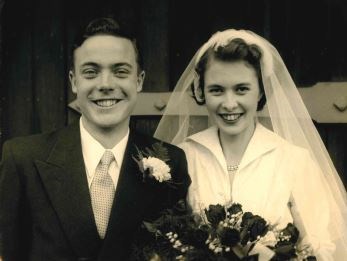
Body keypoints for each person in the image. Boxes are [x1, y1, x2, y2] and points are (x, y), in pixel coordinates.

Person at [0, 17, 190, 261]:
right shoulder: (23, 159)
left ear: (139, 80)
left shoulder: (172, 161)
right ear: (74, 81)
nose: (106, 84)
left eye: (120, 71)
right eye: (91, 72)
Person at [154, 29, 347, 260]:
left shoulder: (294, 160)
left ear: (260, 92)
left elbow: (322, 249)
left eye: (241, 89)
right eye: (217, 90)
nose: (229, 103)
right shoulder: (185, 155)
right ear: (202, 91)